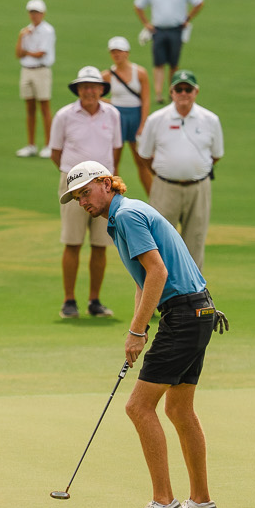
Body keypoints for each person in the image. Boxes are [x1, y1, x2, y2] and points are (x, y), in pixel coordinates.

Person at [60, 160, 227, 508]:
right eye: (77, 198)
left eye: (86, 192)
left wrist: (137, 332)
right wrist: (140, 326)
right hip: (196, 311)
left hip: (184, 314)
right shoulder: (125, 216)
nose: (83, 202)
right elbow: (144, 279)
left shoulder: (128, 216)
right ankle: (200, 504)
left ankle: (164, 503)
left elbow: (158, 272)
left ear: (107, 184)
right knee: (180, 410)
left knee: (138, 407)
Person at [48, 66, 125, 319]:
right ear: (78, 90)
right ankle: (69, 300)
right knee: (72, 241)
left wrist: (105, 179)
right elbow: (56, 153)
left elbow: (116, 149)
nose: (89, 91)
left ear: (102, 89)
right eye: (84, 87)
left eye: (94, 86)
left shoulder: (112, 114)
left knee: (101, 244)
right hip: (73, 184)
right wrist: (76, 179)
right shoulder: (64, 115)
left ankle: (95, 300)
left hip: (104, 185)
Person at [139, 69, 222, 265]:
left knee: (195, 242)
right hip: (165, 188)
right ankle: (161, 294)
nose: (183, 93)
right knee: (159, 244)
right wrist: (165, 172)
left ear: (196, 92)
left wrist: (195, 169)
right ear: (172, 92)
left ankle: (193, 295)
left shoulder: (210, 120)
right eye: (179, 89)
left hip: (198, 188)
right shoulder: (156, 119)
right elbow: (144, 155)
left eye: (188, 89)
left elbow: (216, 155)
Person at [132, 0, 206, 106]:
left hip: (176, 29)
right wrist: (146, 24)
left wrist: (188, 18)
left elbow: (199, 2)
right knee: (158, 63)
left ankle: (172, 92)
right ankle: (158, 94)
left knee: (173, 64)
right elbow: (138, 5)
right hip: (158, 29)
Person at [101, 36, 152, 192]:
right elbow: (97, 96)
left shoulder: (140, 73)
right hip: (117, 118)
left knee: (141, 161)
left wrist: (143, 124)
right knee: (114, 160)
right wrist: (114, 104)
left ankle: (155, 198)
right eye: (113, 52)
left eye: (119, 52)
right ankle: (114, 196)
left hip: (135, 116)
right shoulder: (107, 75)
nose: (117, 55)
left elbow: (145, 99)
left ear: (127, 53)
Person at [15, 0, 56, 157]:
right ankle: (31, 145)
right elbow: (18, 53)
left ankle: (49, 145)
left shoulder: (47, 30)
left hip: (41, 70)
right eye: (32, 12)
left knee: (45, 106)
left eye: (37, 12)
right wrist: (20, 37)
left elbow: (41, 53)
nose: (34, 15)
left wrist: (26, 52)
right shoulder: (25, 31)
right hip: (26, 70)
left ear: (43, 13)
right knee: (29, 108)